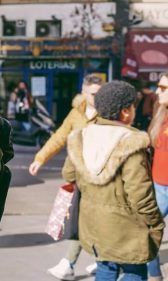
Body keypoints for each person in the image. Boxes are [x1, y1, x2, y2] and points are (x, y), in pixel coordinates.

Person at [62, 81, 164, 281]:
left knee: (105, 269)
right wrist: (156, 224)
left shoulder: (81, 136)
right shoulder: (131, 143)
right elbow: (140, 195)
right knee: (134, 272)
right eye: (133, 106)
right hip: (128, 230)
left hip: (95, 225)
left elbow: (69, 174)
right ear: (126, 112)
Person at [31, 74, 104, 280]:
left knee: (86, 221)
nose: (96, 98)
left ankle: (71, 263)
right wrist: (40, 158)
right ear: (83, 91)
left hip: (98, 177)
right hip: (77, 177)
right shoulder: (76, 113)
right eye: (92, 94)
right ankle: (98, 260)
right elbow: (59, 137)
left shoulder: (107, 113)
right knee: (80, 221)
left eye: (99, 93)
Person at [147, 72, 168, 281]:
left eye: (163, 88)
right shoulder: (161, 113)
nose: (157, 91)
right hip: (159, 184)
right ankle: (154, 274)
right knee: (149, 230)